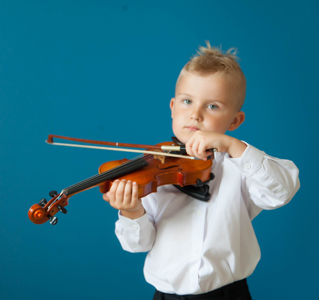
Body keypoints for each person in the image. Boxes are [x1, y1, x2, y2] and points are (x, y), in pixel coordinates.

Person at [102, 42, 300, 300]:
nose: (195, 115)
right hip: (168, 295)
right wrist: (130, 211)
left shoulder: (240, 168)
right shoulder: (152, 170)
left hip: (229, 294)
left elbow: (282, 191)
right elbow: (138, 245)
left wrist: (233, 146)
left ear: (235, 120)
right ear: (173, 107)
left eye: (213, 106)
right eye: (187, 101)